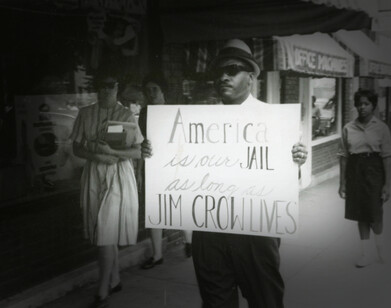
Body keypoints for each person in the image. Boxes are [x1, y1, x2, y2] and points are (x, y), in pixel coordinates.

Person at [188, 39, 307, 308]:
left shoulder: (274, 119)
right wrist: (155, 153)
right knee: (216, 302)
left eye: (232, 70)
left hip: (255, 230)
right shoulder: (196, 122)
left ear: (251, 78)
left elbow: (287, 181)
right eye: (219, 72)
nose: (223, 77)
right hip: (210, 229)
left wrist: (295, 163)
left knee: (265, 300)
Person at [70, 68, 144, 308]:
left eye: (110, 84)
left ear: (116, 87)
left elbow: (138, 151)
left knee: (105, 231)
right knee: (103, 229)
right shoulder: (86, 113)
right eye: (101, 85)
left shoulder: (125, 115)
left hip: (118, 176)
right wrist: (96, 156)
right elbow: (77, 148)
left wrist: (113, 153)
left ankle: (102, 289)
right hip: (94, 173)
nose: (105, 89)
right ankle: (115, 279)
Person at [138, 73, 193, 270]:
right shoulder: (144, 113)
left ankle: (189, 242)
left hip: (174, 164)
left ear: (162, 91)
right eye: (148, 90)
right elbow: (141, 139)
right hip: (153, 165)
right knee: (154, 208)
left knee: (179, 203)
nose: (151, 93)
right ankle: (157, 255)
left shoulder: (174, 111)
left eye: (155, 89)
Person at [338, 89, 391, 268]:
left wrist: (387, 184)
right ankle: (365, 253)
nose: (362, 107)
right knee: (360, 214)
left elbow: (387, 157)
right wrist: (342, 182)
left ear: (373, 105)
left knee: (375, 213)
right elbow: (343, 156)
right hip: (355, 171)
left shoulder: (381, 127)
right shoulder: (348, 128)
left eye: (366, 104)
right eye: (359, 104)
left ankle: (380, 250)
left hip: (375, 171)